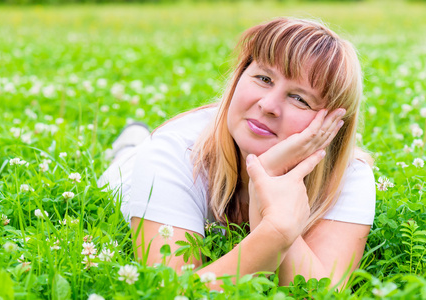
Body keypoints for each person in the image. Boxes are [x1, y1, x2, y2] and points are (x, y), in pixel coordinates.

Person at [98, 17, 375, 288]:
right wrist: (275, 233)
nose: (268, 105)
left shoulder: (350, 176)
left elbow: (319, 294)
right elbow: (171, 292)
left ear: (332, 126)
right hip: (131, 170)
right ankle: (131, 142)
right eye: (264, 78)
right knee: (131, 152)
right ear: (239, 76)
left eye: (299, 98)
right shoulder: (171, 152)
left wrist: (268, 183)